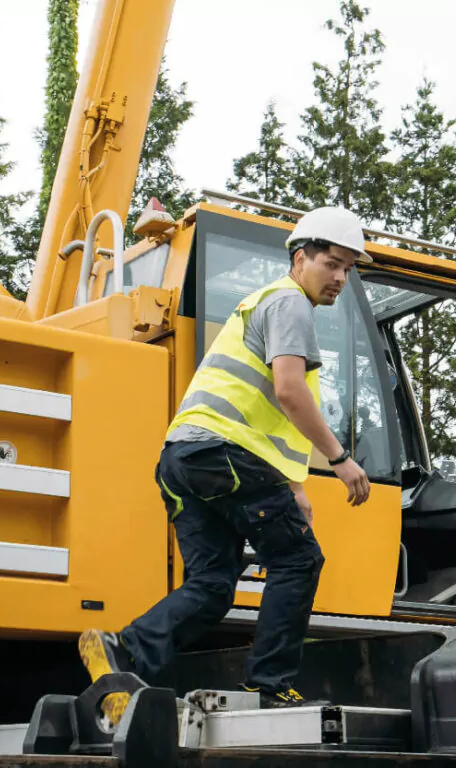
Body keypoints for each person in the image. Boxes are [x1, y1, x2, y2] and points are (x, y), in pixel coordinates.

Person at [78, 205, 372, 721]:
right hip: (223, 454)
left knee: (212, 586)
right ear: (300, 258)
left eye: (349, 269)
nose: (341, 278)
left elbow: (266, 412)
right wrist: (340, 458)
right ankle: (271, 685)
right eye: (333, 264)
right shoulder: (290, 304)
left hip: (184, 458)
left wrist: (293, 486)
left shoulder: (260, 304)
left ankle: (124, 650)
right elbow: (288, 390)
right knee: (299, 560)